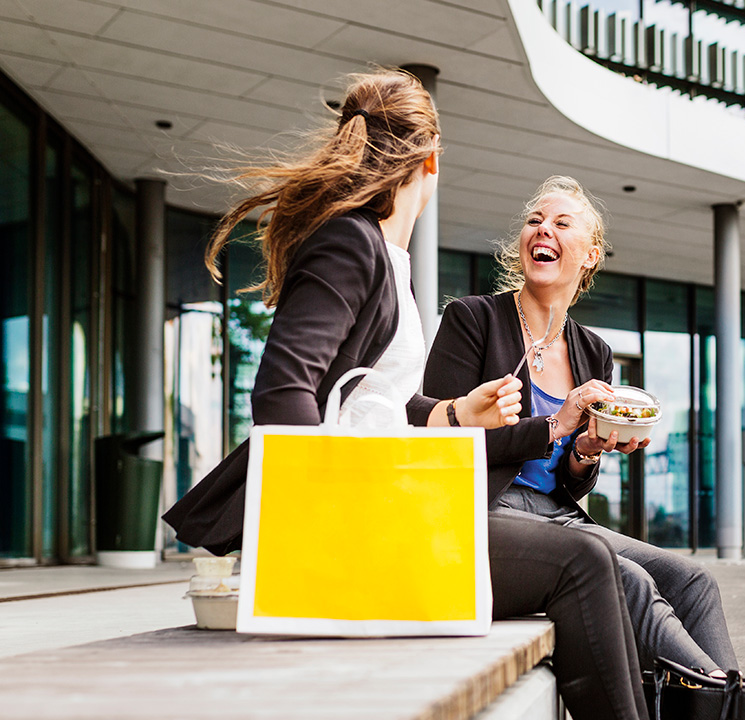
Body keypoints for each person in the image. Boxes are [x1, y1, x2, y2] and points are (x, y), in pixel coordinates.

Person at [162, 72, 648, 720]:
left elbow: (378, 403)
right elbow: (282, 391)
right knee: (585, 561)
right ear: (432, 160)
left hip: (385, 512)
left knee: (607, 565)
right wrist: (327, 535)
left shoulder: (384, 254)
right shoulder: (350, 244)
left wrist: (451, 413)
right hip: (366, 525)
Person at [423, 175, 738, 675]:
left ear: (590, 254)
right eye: (534, 220)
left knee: (691, 579)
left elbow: (572, 479)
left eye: (560, 223)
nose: (542, 229)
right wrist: (553, 424)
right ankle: (733, 701)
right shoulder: (472, 319)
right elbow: (436, 447)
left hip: (557, 517)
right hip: (481, 512)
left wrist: (587, 449)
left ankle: (725, 700)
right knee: (627, 579)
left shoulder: (594, 352)